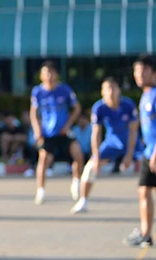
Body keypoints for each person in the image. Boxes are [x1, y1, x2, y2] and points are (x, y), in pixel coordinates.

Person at [72, 78, 140, 214]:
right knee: (89, 168)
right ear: (102, 92)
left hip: (131, 143)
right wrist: (96, 157)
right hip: (112, 143)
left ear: (119, 90)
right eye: (107, 89)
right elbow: (96, 134)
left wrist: (129, 155)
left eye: (113, 88)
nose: (111, 92)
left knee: (150, 167)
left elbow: (133, 131)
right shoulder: (99, 108)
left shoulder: (128, 105)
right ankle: (83, 201)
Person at [29, 61, 83, 205]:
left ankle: (76, 182)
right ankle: (41, 190)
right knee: (44, 159)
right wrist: (37, 129)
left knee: (78, 154)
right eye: (46, 72)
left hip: (64, 131)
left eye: (52, 72)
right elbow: (34, 112)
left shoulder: (64, 90)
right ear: (41, 76)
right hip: (48, 133)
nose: (49, 75)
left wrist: (68, 124)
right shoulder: (38, 92)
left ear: (57, 74)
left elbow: (76, 108)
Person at [124, 55, 156, 247]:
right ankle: (145, 234)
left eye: (143, 71)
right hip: (148, 152)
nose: (139, 75)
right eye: (136, 71)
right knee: (143, 191)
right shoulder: (146, 94)